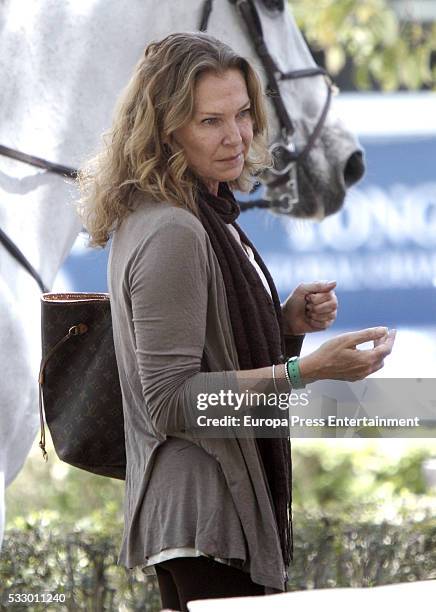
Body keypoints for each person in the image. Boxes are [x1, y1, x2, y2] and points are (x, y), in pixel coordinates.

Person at [78, 32, 396, 611]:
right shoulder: (173, 227)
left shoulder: (203, 209)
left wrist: (284, 323)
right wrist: (303, 372)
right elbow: (171, 401)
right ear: (166, 128)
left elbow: (211, 351)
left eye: (244, 113)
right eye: (210, 121)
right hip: (204, 516)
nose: (237, 136)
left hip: (211, 510)